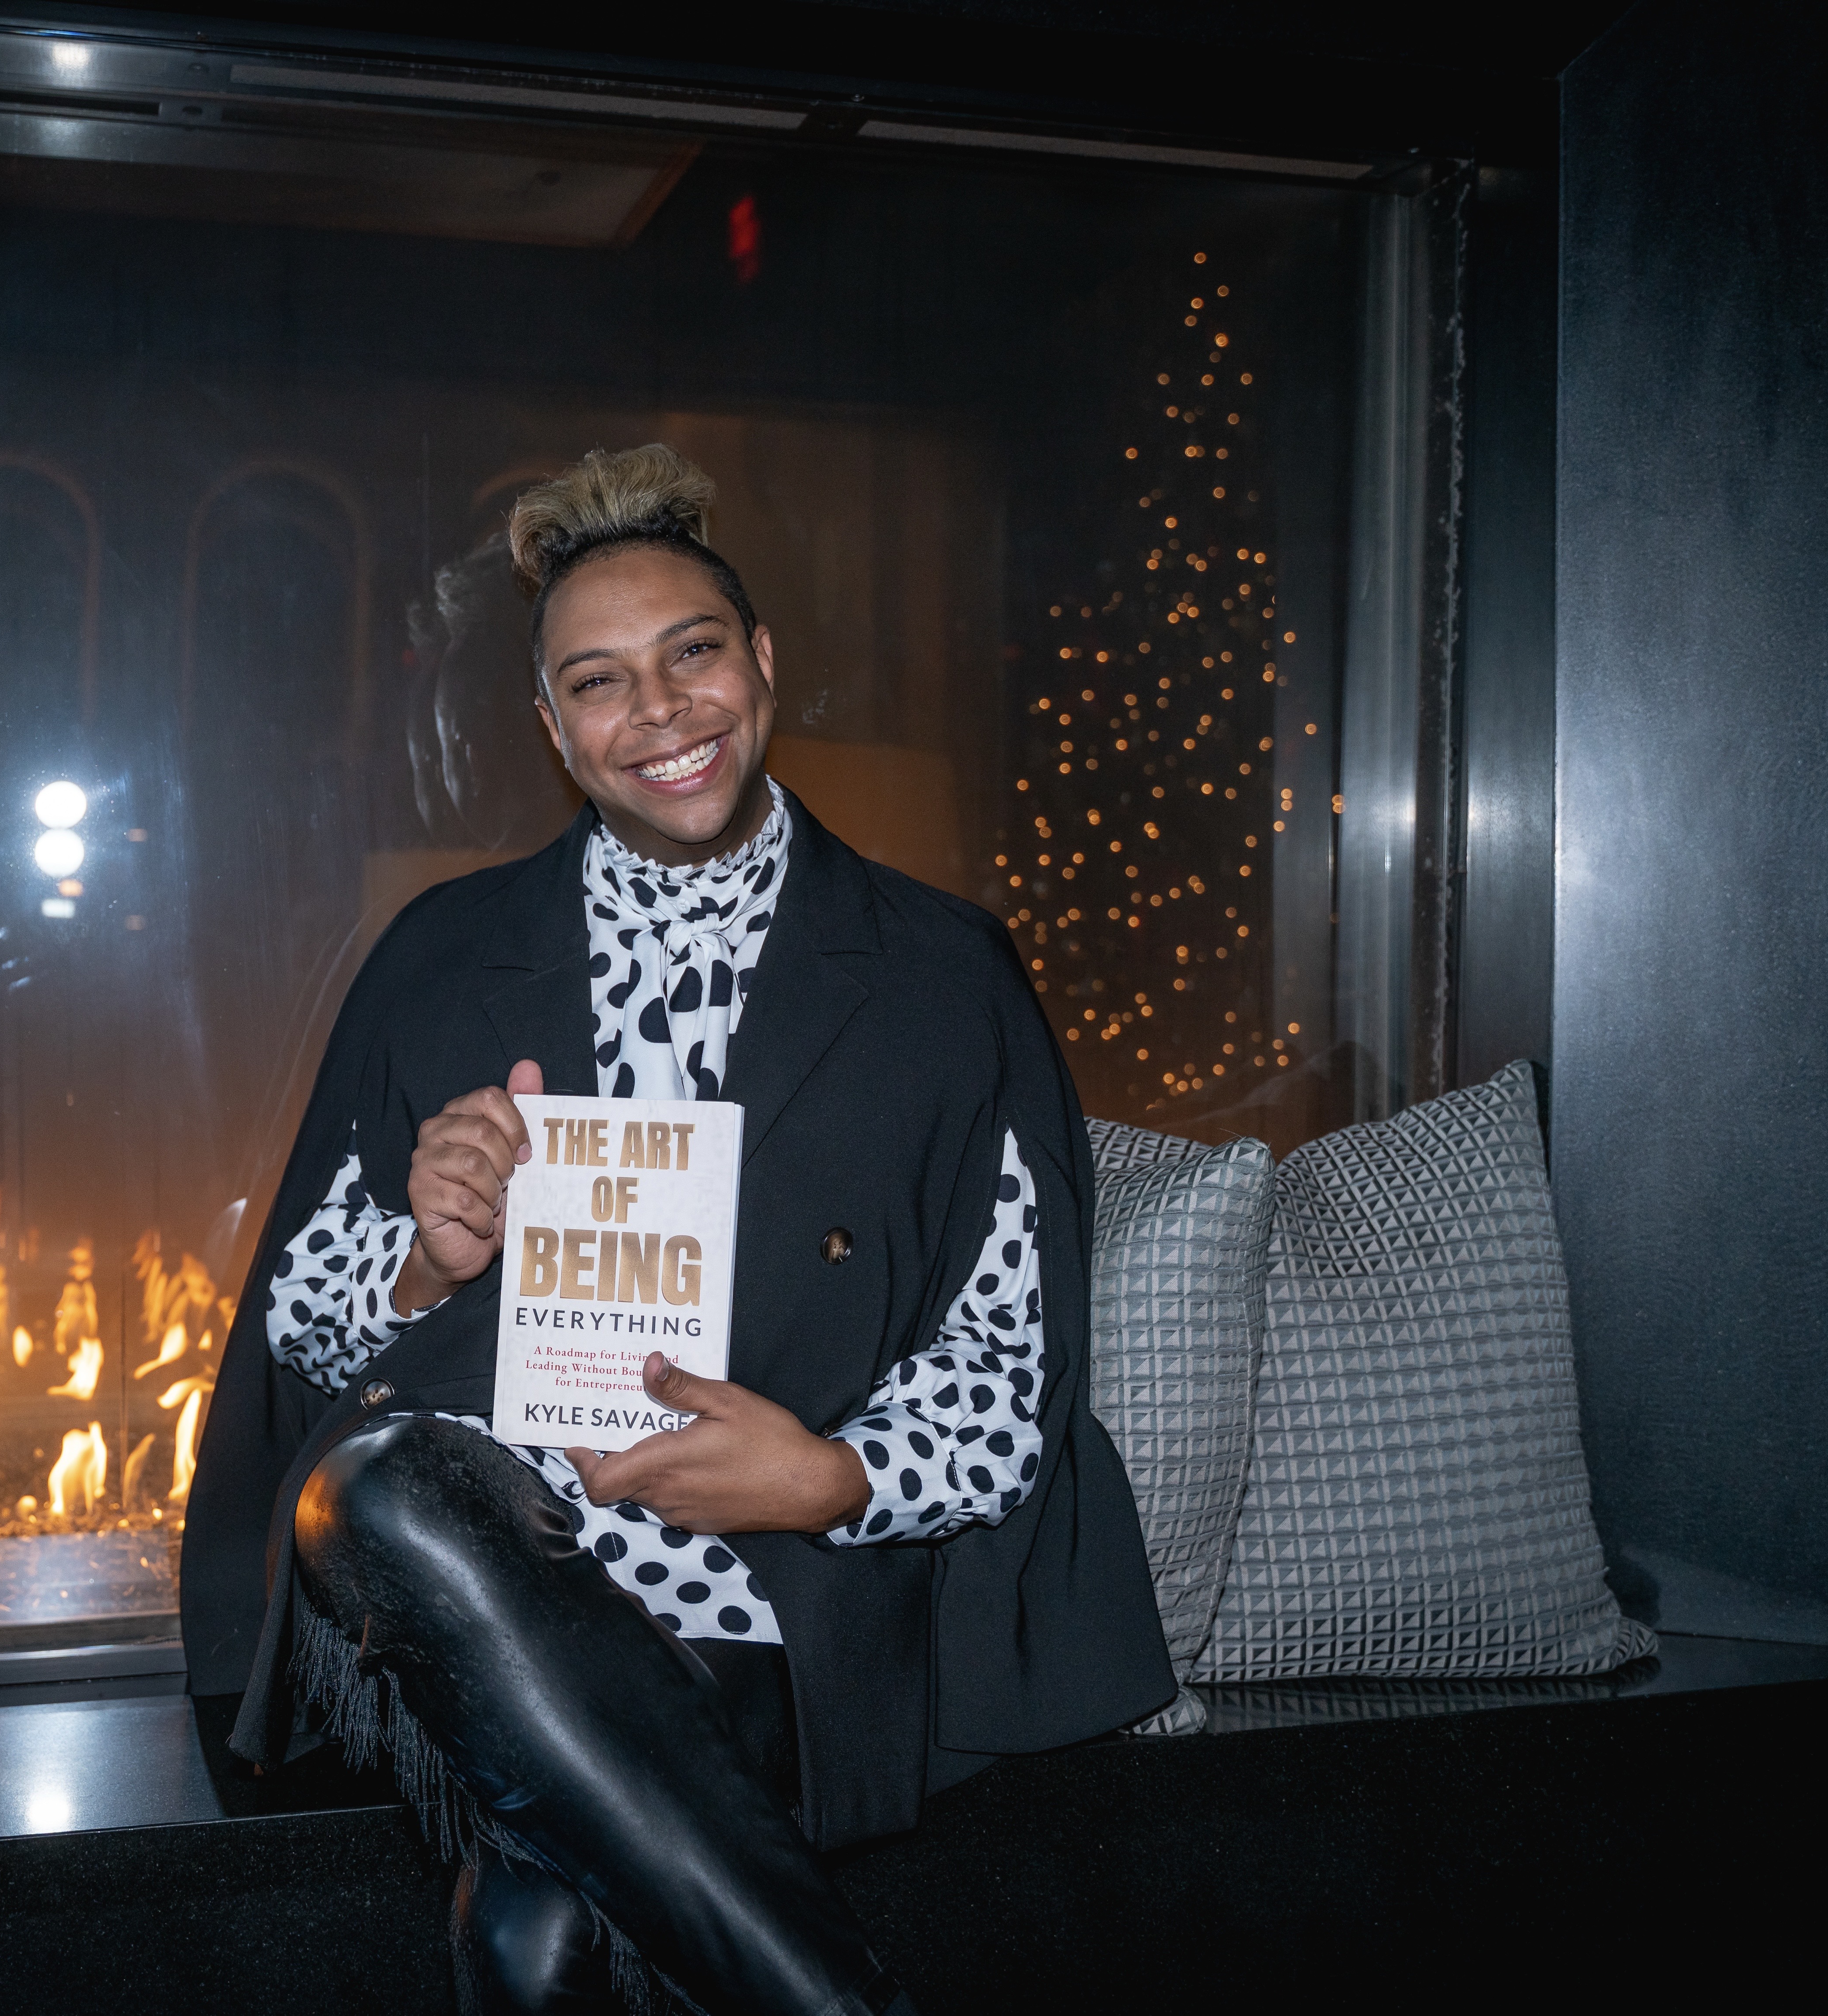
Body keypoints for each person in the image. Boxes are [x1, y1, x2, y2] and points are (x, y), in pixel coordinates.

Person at [181, 445, 1174, 2015]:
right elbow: (298, 1323)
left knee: (542, 1931)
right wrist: (425, 1254)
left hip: (780, 1586)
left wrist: (828, 1477)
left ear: (761, 662)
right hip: (480, 1563)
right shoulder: (442, 954)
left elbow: (1010, 1367)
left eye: (692, 652)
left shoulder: (942, 975)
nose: (659, 710)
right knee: (374, 1484)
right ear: (552, 726)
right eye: (600, 681)